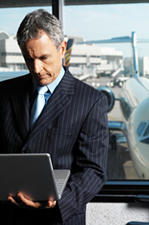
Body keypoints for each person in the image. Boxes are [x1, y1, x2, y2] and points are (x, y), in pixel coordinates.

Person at [0, 9, 108, 225]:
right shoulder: (3, 93)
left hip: (58, 218)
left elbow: (94, 170)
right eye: (29, 59)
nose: (37, 68)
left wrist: (58, 203)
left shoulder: (91, 101)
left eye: (43, 58)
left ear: (62, 48)